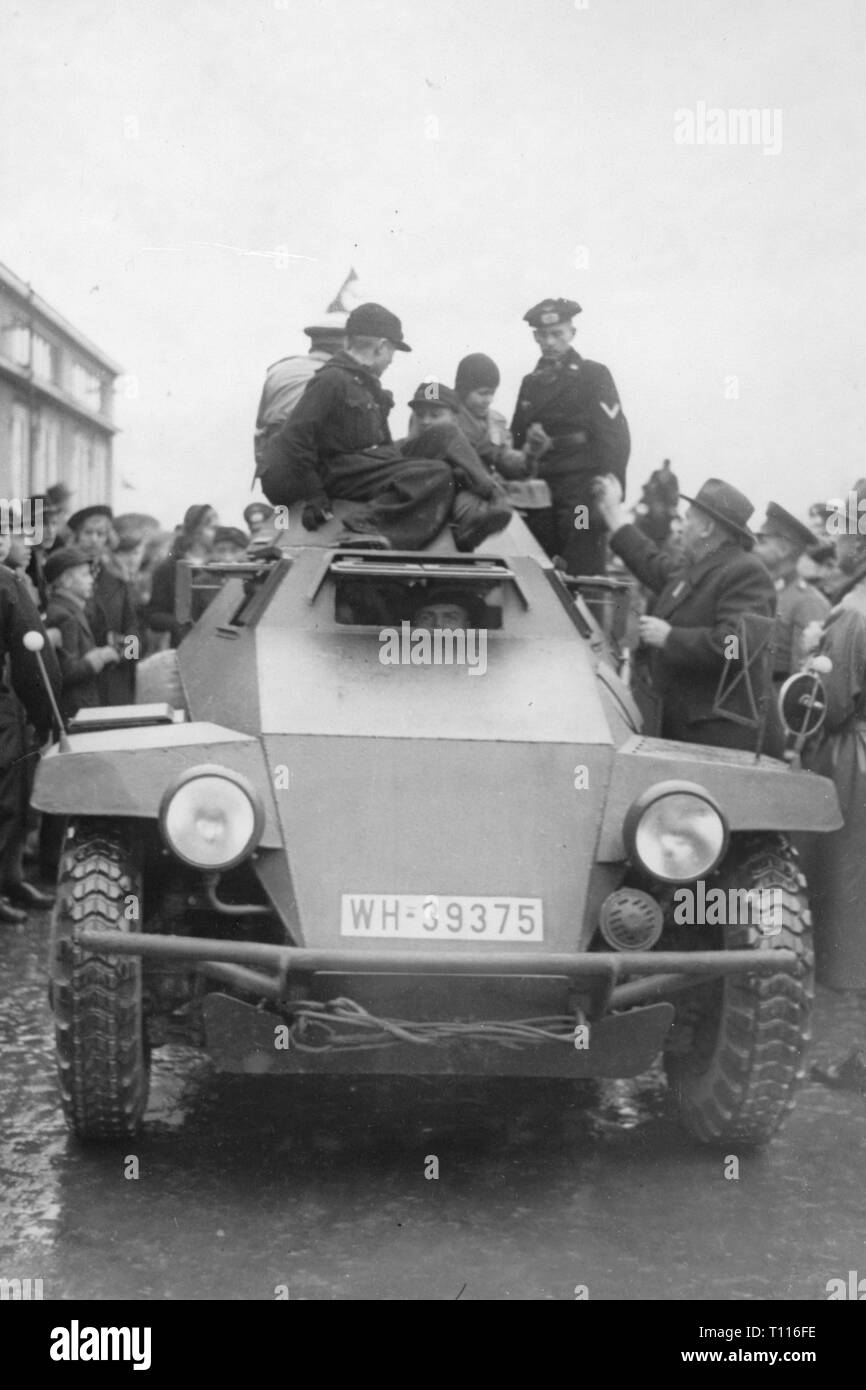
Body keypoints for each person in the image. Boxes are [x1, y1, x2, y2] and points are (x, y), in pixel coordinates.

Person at [261, 302, 487, 551]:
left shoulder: (368, 386)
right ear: (381, 347)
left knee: (442, 458)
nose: (391, 360)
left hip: (364, 466)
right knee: (436, 474)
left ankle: (484, 497)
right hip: (338, 471)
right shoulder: (331, 379)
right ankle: (364, 525)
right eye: (392, 352)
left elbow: (386, 447)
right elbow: (295, 437)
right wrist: (315, 493)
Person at [595, 475, 782, 754]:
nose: (680, 526)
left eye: (688, 519)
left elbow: (736, 647)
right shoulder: (701, 567)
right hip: (698, 736)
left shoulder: (746, 573)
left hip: (724, 743)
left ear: (707, 528)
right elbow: (651, 562)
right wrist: (615, 517)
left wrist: (670, 637)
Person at [510, 298, 631, 575]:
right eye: (543, 335)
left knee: (581, 563)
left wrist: (611, 489)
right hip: (541, 492)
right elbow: (516, 438)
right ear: (535, 337)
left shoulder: (593, 374)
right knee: (542, 568)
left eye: (557, 334)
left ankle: (588, 619)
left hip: (582, 489)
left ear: (571, 334)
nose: (550, 342)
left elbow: (615, 435)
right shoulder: (530, 384)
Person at [0, 533, 62, 922]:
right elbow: (32, 657)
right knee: (8, 795)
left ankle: (9, 879)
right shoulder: (7, 583)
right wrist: (47, 718)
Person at [405, 382, 512, 548]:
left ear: (455, 418)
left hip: (440, 512)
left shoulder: (461, 454)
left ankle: (469, 527)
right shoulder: (403, 448)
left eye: (435, 415)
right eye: (420, 415)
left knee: (461, 481)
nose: (426, 421)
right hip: (411, 494)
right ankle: (491, 496)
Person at [253, 312, 348, 479]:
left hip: (272, 464)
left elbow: (261, 422)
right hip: (313, 466)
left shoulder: (278, 369)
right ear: (344, 346)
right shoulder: (339, 376)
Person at [67, 505, 140, 705]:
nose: (94, 540)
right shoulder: (65, 577)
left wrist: (126, 654)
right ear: (76, 536)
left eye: (101, 534)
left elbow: (132, 626)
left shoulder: (118, 578)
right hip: (82, 678)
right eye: (88, 533)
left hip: (116, 677)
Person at [754, 502, 830, 681]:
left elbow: (801, 683)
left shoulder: (808, 602)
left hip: (771, 703)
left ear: (784, 549)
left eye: (762, 540)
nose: (755, 547)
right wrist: (729, 658)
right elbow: (733, 646)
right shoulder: (757, 590)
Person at [44, 547, 120, 720]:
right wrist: (102, 656)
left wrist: (127, 652)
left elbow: (132, 631)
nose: (92, 580)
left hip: (112, 676)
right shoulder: (66, 614)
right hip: (78, 707)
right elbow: (66, 670)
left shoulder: (75, 608)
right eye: (85, 575)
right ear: (66, 580)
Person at [144, 504, 218, 647]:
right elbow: (153, 615)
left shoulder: (218, 567)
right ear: (196, 530)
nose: (216, 534)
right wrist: (181, 623)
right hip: (183, 646)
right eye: (212, 529)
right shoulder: (169, 569)